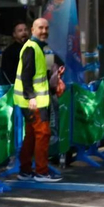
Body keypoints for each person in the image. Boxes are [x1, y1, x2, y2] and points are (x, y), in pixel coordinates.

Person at [15, 17, 62, 181]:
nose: (44, 31)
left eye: (46, 28)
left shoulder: (36, 48)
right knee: (43, 134)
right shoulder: (32, 48)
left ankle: (26, 170)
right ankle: (41, 171)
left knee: (32, 135)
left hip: (32, 101)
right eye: (41, 28)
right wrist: (32, 98)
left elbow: (35, 76)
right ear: (33, 30)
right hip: (35, 102)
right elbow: (27, 75)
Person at [0, 22, 29, 86]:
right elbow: (7, 75)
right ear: (14, 34)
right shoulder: (9, 52)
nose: (24, 32)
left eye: (25, 30)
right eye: (20, 31)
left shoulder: (33, 48)